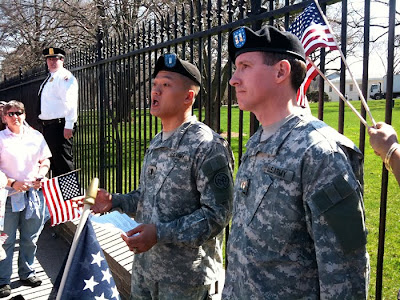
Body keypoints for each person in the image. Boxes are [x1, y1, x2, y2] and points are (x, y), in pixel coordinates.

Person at [222, 25, 369, 299]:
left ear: (281, 72)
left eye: (244, 66)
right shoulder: (257, 142)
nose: (233, 79)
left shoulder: (321, 153)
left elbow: (345, 271)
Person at [90, 53, 234, 299]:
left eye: (166, 85)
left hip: (185, 280)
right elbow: (147, 197)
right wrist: (116, 201)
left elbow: (218, 215)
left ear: (189, 97)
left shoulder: (207, 146)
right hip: (146, 269)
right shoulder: (157, 142)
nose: (155, 91)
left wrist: (161, 233)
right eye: (155, 85)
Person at [0, 100, 51, 298]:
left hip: (33, 195)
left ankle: (27, 272)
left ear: (24, 114)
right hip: (8, 196)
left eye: (18, 112)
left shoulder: (36, 136)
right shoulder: (1, 139)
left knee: (31, 238)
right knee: (6, 240)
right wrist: (13, 183)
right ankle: (3, 280)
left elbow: (45, 160)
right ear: (4, 117)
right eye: (10, 113)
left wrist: (41, 175)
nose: (15, 117)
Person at [38, 47, 78, 177]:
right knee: (54, 162)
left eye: (56, 59)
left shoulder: (65, 77)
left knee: (63, 163)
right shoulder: (51, 78)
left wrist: (69, 125)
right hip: (50, 126)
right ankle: (59, 196)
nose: (52, 62)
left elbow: (71, 103)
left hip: (60, 126)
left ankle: (70, 195)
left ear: (62, 60)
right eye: (49, 59)